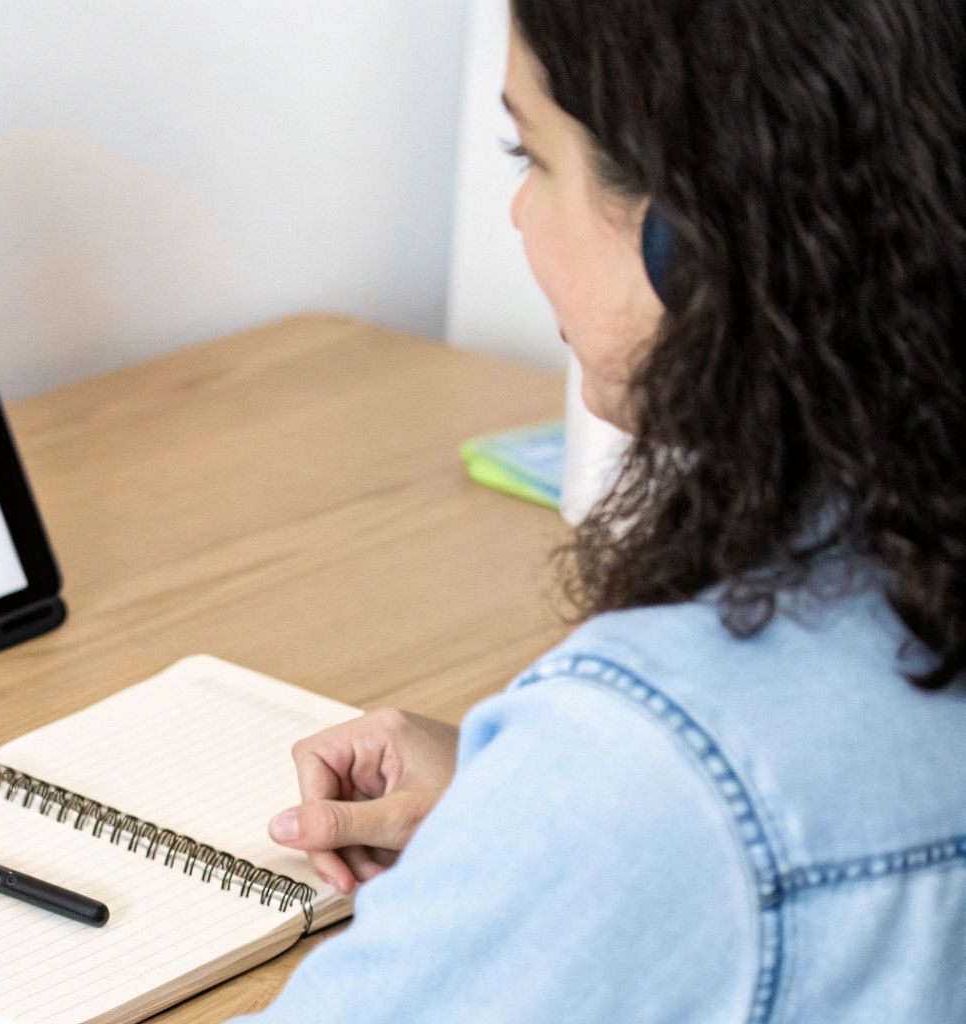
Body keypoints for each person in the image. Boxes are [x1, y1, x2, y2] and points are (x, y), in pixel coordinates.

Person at [239, 1, 966, 1020]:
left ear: (686, 238)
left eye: (528, 153)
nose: (517, 213)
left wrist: (581, 810)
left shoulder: (663, 766)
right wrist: (517, 808)